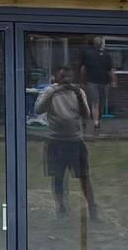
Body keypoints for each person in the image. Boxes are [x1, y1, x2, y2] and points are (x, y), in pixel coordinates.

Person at [36, 65, 99, 219]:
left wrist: (78, 94)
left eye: (69, 77)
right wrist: (54, 92)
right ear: (57, 78)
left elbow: (86, 114)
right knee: (58, 177)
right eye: (63, 77)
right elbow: (38, 109)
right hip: (55, 141)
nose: (66, 80)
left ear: (73, 77)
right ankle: (61, 208)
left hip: (75, 140)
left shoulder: (79, 92)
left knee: (84, 177)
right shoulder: (49, 91)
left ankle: (92, 209)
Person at [79, 37, 116, 135]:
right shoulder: (105, 54)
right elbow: (111, 70)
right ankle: (96, 122)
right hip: (101, 82)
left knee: (96, 103)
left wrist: (82, 81)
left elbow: (83, 69)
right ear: (101, 44)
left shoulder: (88, 53)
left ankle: (96, 122)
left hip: (94, 81)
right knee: (99, 103)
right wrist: (114, 81)